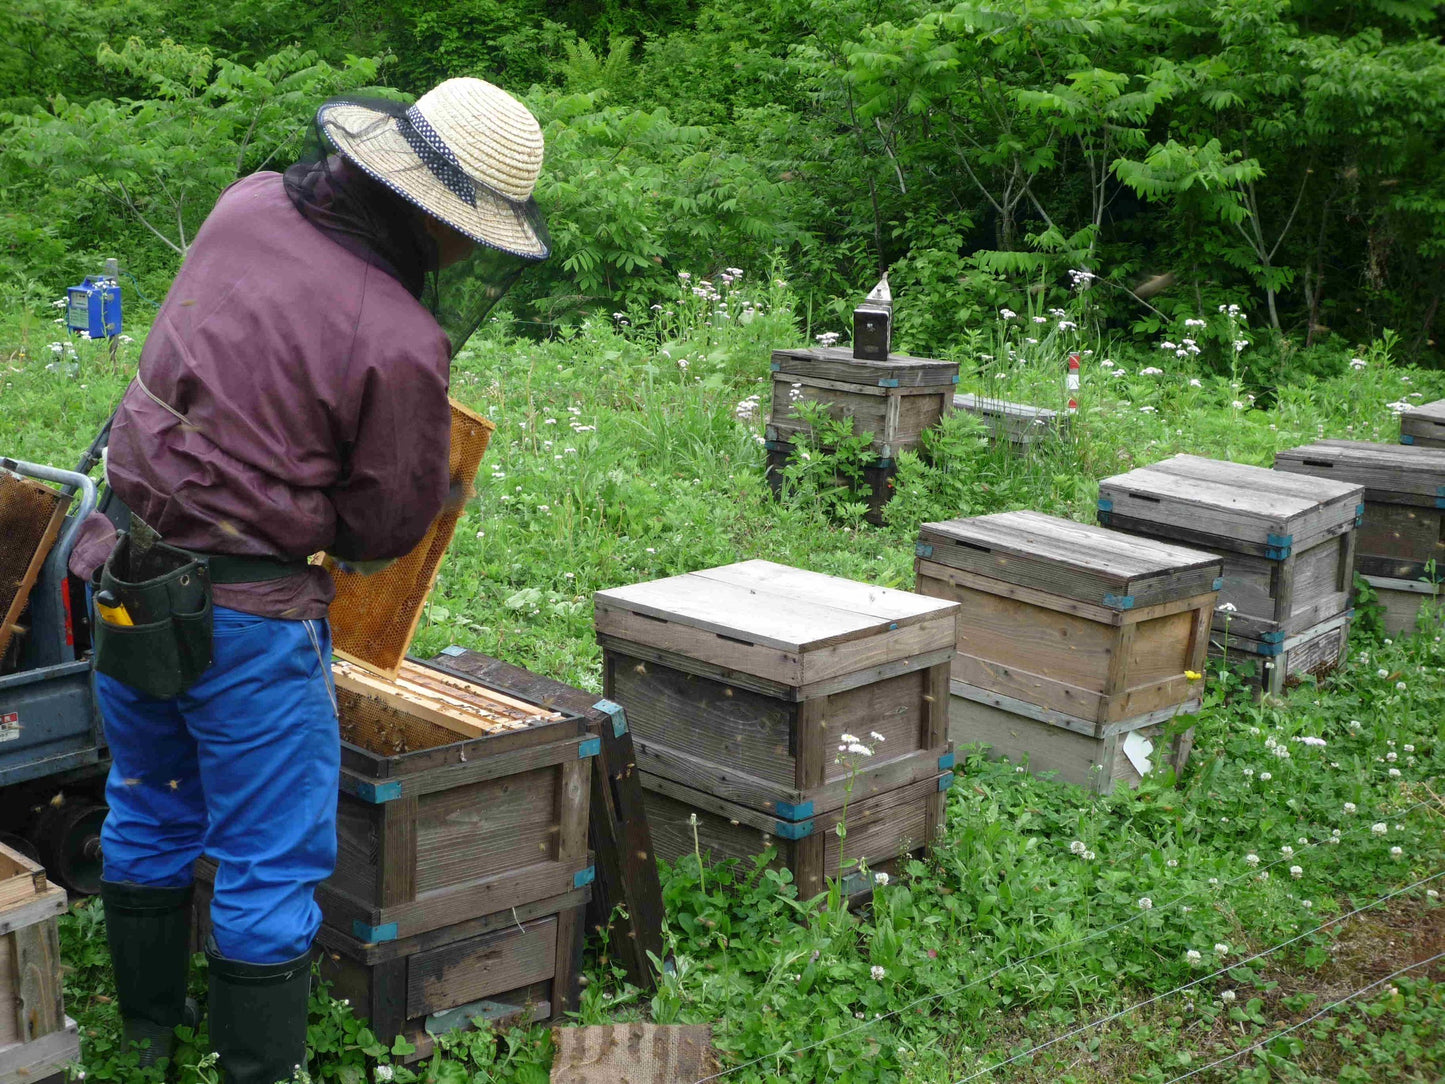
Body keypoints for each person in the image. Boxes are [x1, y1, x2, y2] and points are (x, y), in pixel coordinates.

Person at [67, 77, 550, 1084]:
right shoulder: (400, 339)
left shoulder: (246, 202)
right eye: (472, 232)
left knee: (149, 800)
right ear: (432, 215)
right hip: (245, 619)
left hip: (126, 566)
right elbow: (383, 527)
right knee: (268, 859)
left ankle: (147, 1037)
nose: (467, 254)